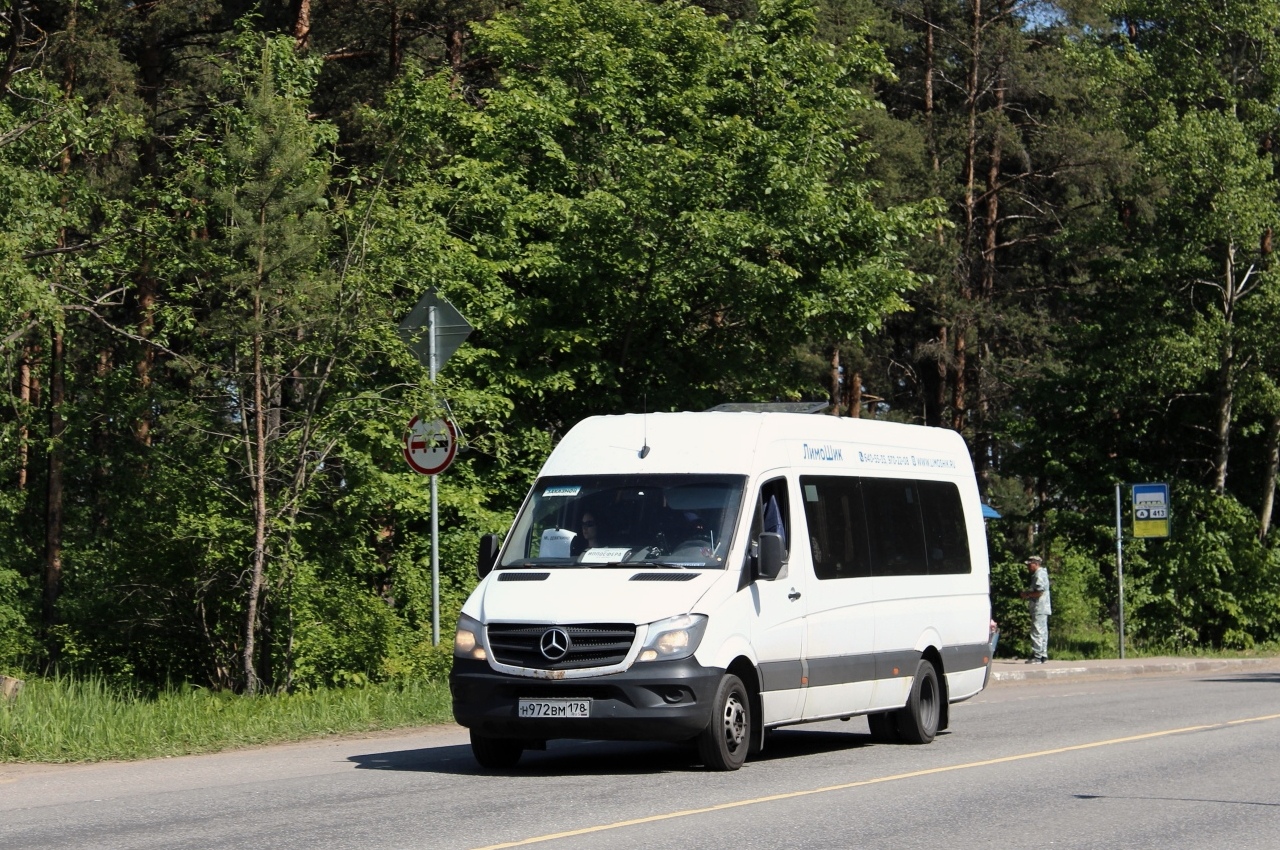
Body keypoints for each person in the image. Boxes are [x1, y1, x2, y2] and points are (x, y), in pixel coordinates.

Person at [1020, 555, 1051, 663]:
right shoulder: (1041, 573)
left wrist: (1027, 594)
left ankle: (1037, 656)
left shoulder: (1039, 574)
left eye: (1030, 564)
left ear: (1036, 564)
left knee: (1037, 631)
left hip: (1039, 607)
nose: (1028, 567)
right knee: (1043, 631)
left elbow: (1039, 591)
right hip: (1043, 607)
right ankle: (1043, 655)